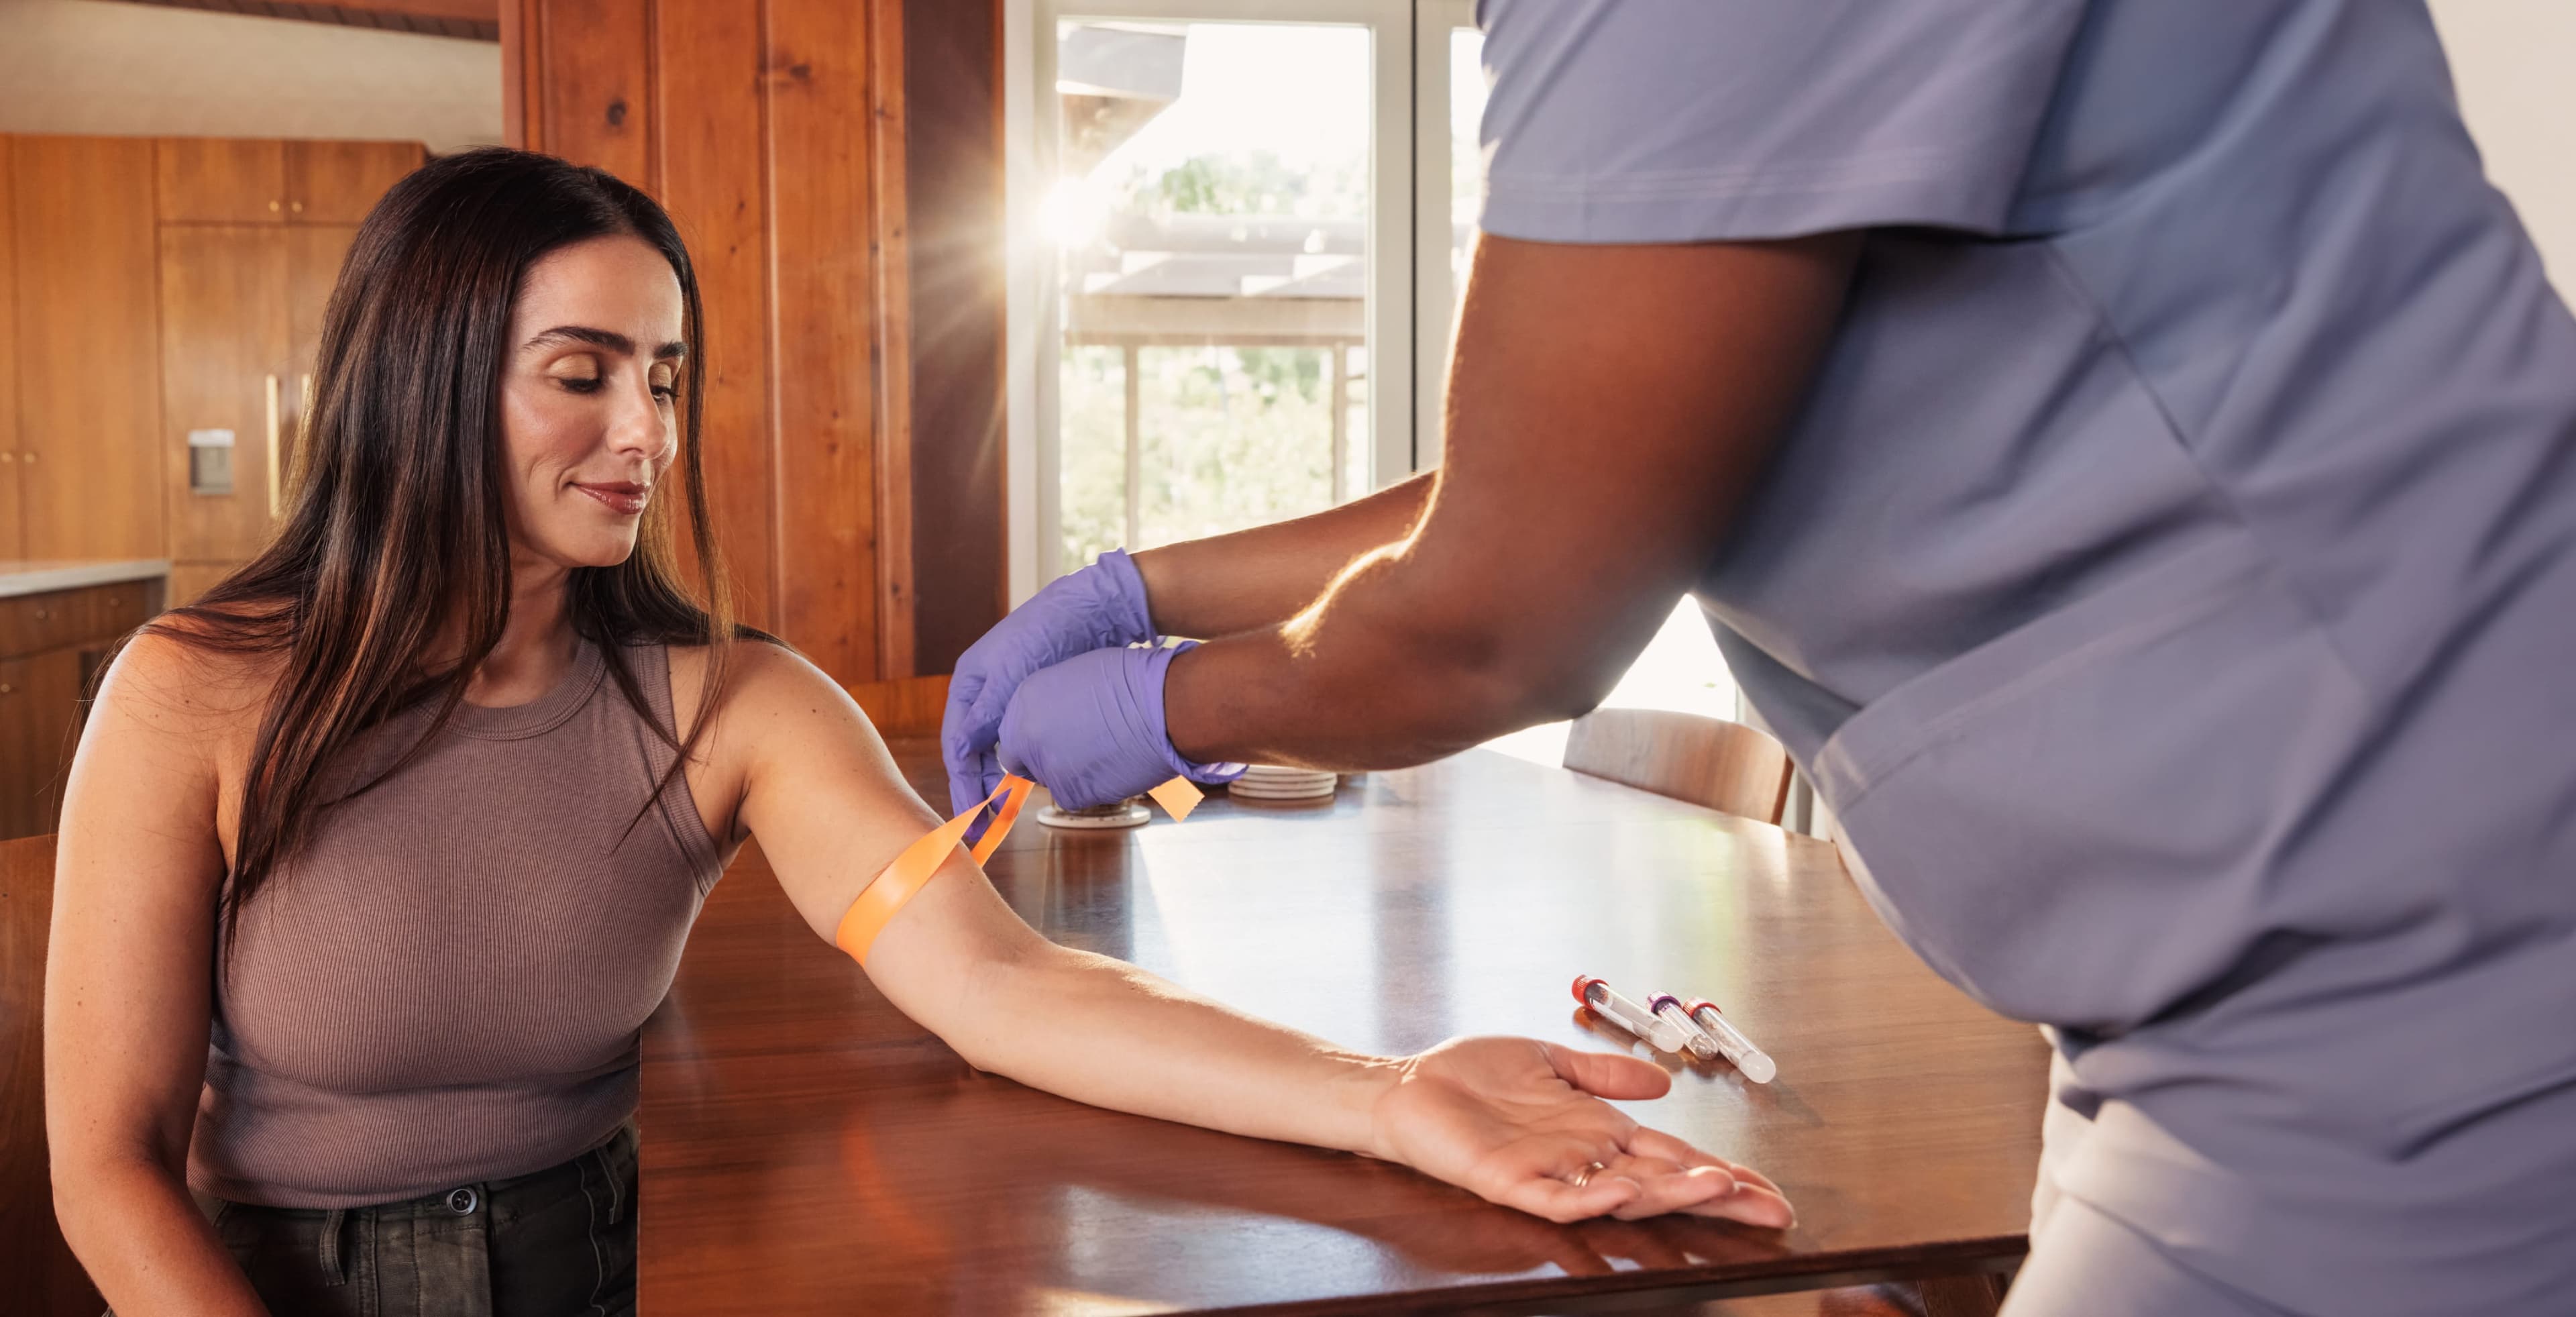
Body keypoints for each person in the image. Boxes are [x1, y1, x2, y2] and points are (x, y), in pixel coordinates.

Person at [943, 3, 2576, 1314]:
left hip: (2420, 936)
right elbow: (1575, 463)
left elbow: (1506, 614)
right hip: (2263, 950)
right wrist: (1136, 588)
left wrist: (1170, 703)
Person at [43, 147, 1792, 1317]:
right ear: (423, 378)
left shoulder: (732, 709)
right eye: (580, 372)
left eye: (664, 376)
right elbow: (107, 1164)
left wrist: (1397, 1097)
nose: (642, 430)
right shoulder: (197, 693)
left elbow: (1007, 988)